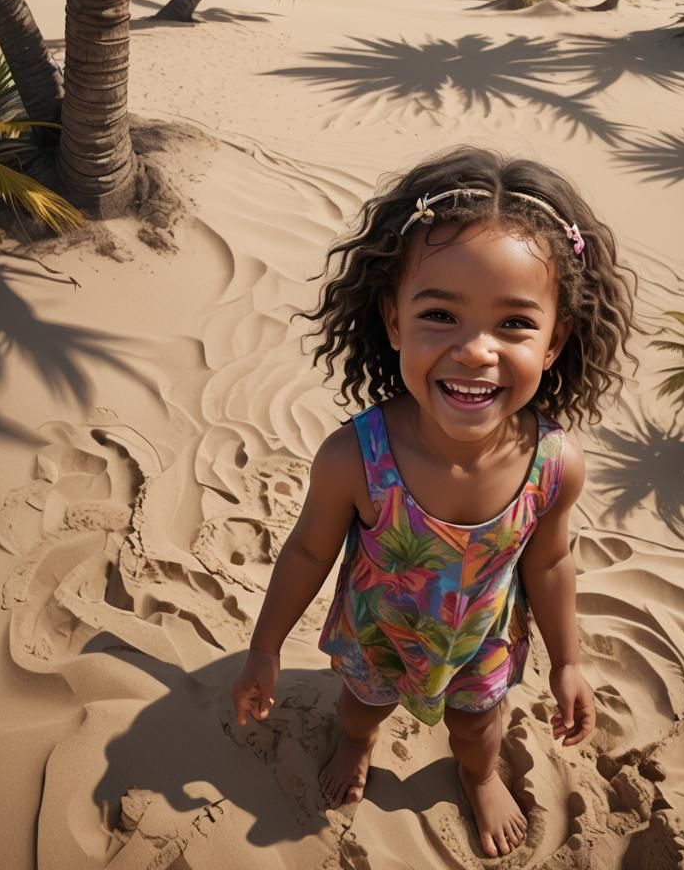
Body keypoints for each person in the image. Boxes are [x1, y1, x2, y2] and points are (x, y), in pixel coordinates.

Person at [232, 146, 636, 857]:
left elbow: (548, 564)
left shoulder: (555, 464)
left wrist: (569, 661)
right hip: (376, 636)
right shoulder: (355, 456)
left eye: (514, 324)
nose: (476, 350)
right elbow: (306, 550)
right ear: (393, 322)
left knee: (479, 732)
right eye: (440, 314)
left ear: (555, 341)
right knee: (361, 710)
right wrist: (265, 647)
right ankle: (356, 747)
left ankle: (478, 779)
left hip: (477, 642)